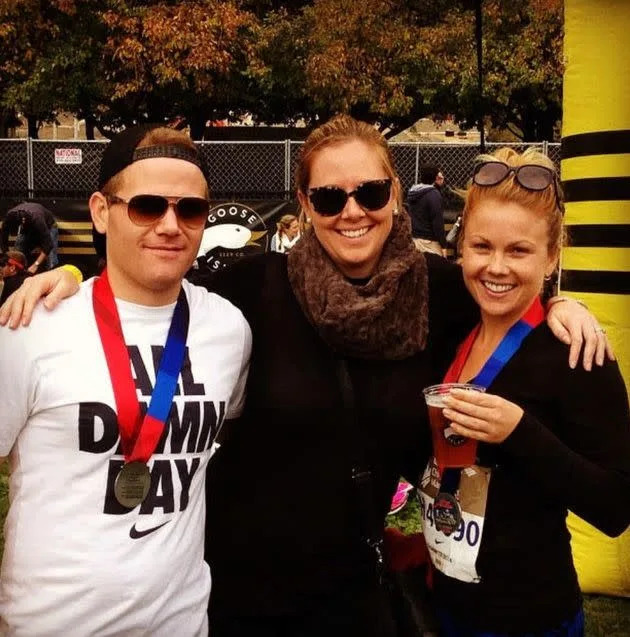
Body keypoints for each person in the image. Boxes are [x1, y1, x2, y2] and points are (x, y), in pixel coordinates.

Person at [0, 116, 610, 637]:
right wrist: (72, 281)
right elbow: (150, 289)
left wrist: (559, 303)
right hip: (245, 595)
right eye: (328, 197)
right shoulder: (253, 290)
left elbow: (502, 295)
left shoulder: (441, 296)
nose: (352, 211)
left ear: (395, 194)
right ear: (303, 202)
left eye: (370, 192)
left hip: (360, 596)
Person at [0, 125, 251, 635]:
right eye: (146, 206)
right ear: (99, 211)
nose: (170, 225)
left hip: (181, 621)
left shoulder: (229, 329)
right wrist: (68, 276)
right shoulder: (32, 327)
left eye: (191, 210)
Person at [416, 148, 630, 636]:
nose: (496, 268)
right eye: (481, 246)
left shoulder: (577, 354)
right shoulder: (450, 322)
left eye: (519, 251)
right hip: (442, 601)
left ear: (552, 255)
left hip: (527, 617)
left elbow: (616, 507)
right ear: (460, 247)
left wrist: (519, 432)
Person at [0, 202, 58, 272]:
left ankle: (51, 276)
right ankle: (20, 275)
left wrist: (36, 265)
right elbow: (3, 240)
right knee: (17, 252)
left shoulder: (37, 218)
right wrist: (8, 257)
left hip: (49, 226)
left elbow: (48, 245)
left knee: (51, 260)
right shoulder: (8, 218)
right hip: (27, 227)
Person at [407, 162, 447, 257]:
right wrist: (443, 245)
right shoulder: (434, 195)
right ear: (435, 177)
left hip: (415, 240)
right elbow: (437, 223)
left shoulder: (414, 192)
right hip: (429, 243)